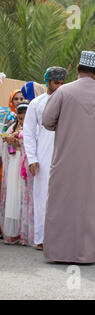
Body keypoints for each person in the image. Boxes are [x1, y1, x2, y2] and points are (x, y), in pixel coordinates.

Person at [42, 51, 95, 264]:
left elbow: (47, 121)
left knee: (60, 204)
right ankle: (85, 254)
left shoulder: (63, 91)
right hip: (94, 164)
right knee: (88, 208)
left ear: (77, 69)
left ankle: (58, 252)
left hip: (65, 161)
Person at [23, 66, 67, 250]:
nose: (59, 86)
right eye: (56, 82)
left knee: (64, 197)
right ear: (48, 81)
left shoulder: (68, 102)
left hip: (65, 156)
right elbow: (28, 132)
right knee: (42, 197)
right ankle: (41, 238)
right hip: (43, 156)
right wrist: (32, 159)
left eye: (62, 83)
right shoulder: (37, 103)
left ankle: (62, 238)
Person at [0, 102, 30, 245]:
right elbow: (4, 141)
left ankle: (22, 232)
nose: (21, 120)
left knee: (21, 195)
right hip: (12, 165)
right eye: (19, 117)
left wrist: (19, 143)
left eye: (24, 117)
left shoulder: (32, 128)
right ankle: (11, 232)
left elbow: (32, 144)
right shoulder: (12, 127)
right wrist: (8, 140)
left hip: (22, 165)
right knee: (11, 195)